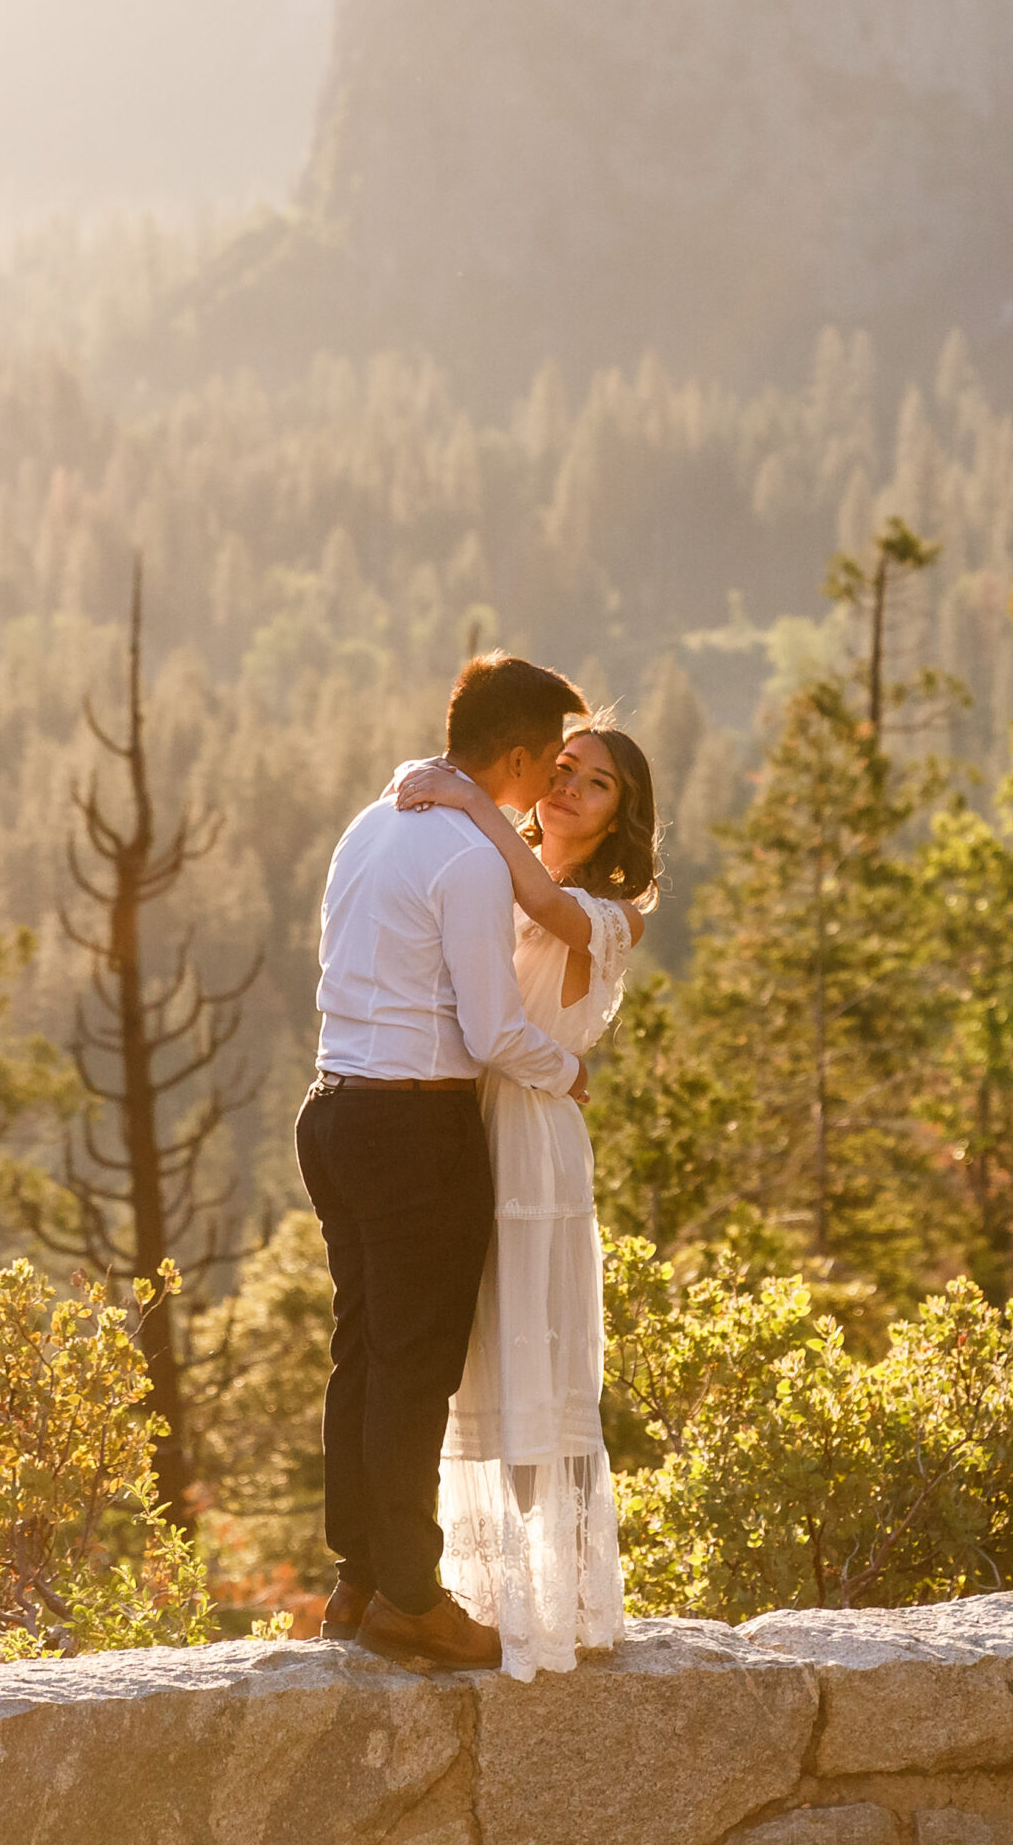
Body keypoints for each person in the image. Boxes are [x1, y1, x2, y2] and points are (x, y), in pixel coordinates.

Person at [294, 651, 588, 1671]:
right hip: (414, 1128)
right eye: (551, 758)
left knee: (365, 1351)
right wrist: (569, 1069)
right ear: (514, 753)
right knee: (415, 1369)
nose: (554, 778)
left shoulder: (371, 824)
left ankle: (362, 1576)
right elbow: (495, 1025)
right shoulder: (466, 858)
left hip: (332, 1112)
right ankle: (415, 1596)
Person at [393, 723, 658, 1679]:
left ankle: (556, 1599)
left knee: (532, 1359)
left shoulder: (612, 907)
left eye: (598, 785)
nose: (572, 790)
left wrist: (469, 796)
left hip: (535, 1132)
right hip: (464, 1119)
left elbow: (541, 899)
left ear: (622, 814)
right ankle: (478, 1594)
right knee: (471, 1359)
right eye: (562, 771)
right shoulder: (484, 865)